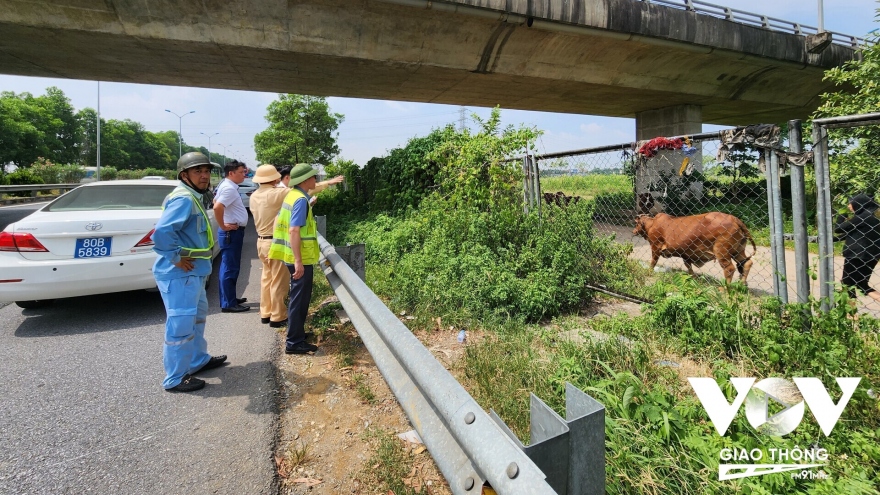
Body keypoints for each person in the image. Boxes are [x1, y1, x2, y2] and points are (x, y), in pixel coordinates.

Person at [152, 152, 227, 393]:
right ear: (185, 175)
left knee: (197, 319)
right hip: (181, 275)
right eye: (198, 171)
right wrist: (175, 258)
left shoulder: (193, 197)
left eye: (206, 171)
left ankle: (197, 361)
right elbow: (162, 233)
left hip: (195, 274)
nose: (205, 175)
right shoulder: (184, 199)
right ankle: (175, 377)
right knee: (181, 327)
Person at [268, 163, 322, 355]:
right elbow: (294, 230)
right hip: (300, 258)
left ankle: (297, 333)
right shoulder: (299, 200)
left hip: (292, 256)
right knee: (299, 299)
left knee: (299, 298)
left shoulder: (293, 196)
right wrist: (298, 261)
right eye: (314, 177)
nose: (316, 180)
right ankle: (294, 342)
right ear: (306, 180)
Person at [250, 164, 292, 328]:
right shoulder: (277, 193)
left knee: (267, 278)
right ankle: (278, 316)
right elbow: (302, 192)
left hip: (261, 241)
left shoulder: (254, 195)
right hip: (275, 242)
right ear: (275, 178)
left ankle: (266, 312)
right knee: (279, 280)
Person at [213, 160, 250, 313]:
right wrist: (223, 225)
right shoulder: (229, 188)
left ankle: (230, 298)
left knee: (230, 266)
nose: (244, 175)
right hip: (231, 232)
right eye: (241, 172)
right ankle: (228, 303)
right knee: (230, 268)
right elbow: (217, 206)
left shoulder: (226, 185)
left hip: (232, 231)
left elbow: (215, 200)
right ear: (231, 173)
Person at [835, 193, 880, 304]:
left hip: (856, 255)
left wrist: (841, 217)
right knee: (861, 284)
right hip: (871, 256)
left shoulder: (863, 217)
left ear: (859, 204)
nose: (849, 206)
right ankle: (852, 315)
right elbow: (851, 233)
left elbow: (839, 229)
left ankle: (851, 315)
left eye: (851, 203)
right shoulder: (873, 216)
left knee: (847, 283)